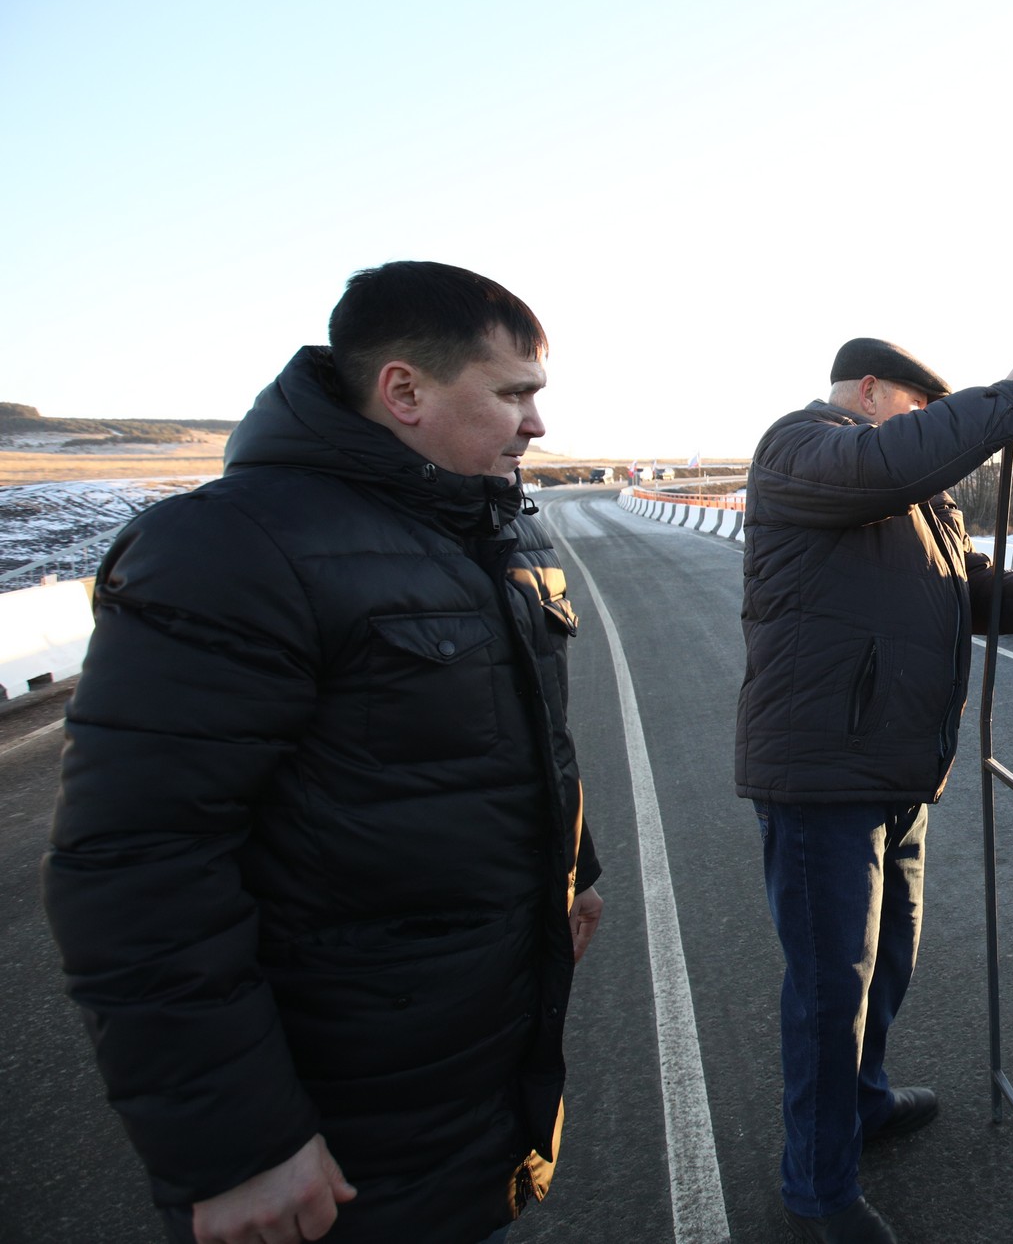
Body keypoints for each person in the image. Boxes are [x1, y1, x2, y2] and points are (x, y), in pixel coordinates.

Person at [44, 261, 603, 1244]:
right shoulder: (231, 551)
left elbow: (515, 732)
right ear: (404, 390)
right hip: (330, 1115)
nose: (536, 425)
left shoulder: (484, 529)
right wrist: (240, 1148)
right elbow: (139, 864)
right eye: (513, 393)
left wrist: (575, 870)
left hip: (457, 1075)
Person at [737, 336, 1013, 1244]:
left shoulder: (910, 493)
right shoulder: (803, 446)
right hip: (823, 772)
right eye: (918, 407)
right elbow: (886, 464)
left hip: (896, 770)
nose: (924, 430)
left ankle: (861, 1102)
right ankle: (818, 1189)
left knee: (885, 965)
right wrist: (1003, 399)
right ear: (869, 392)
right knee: (833, 987)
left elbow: (967, 593)